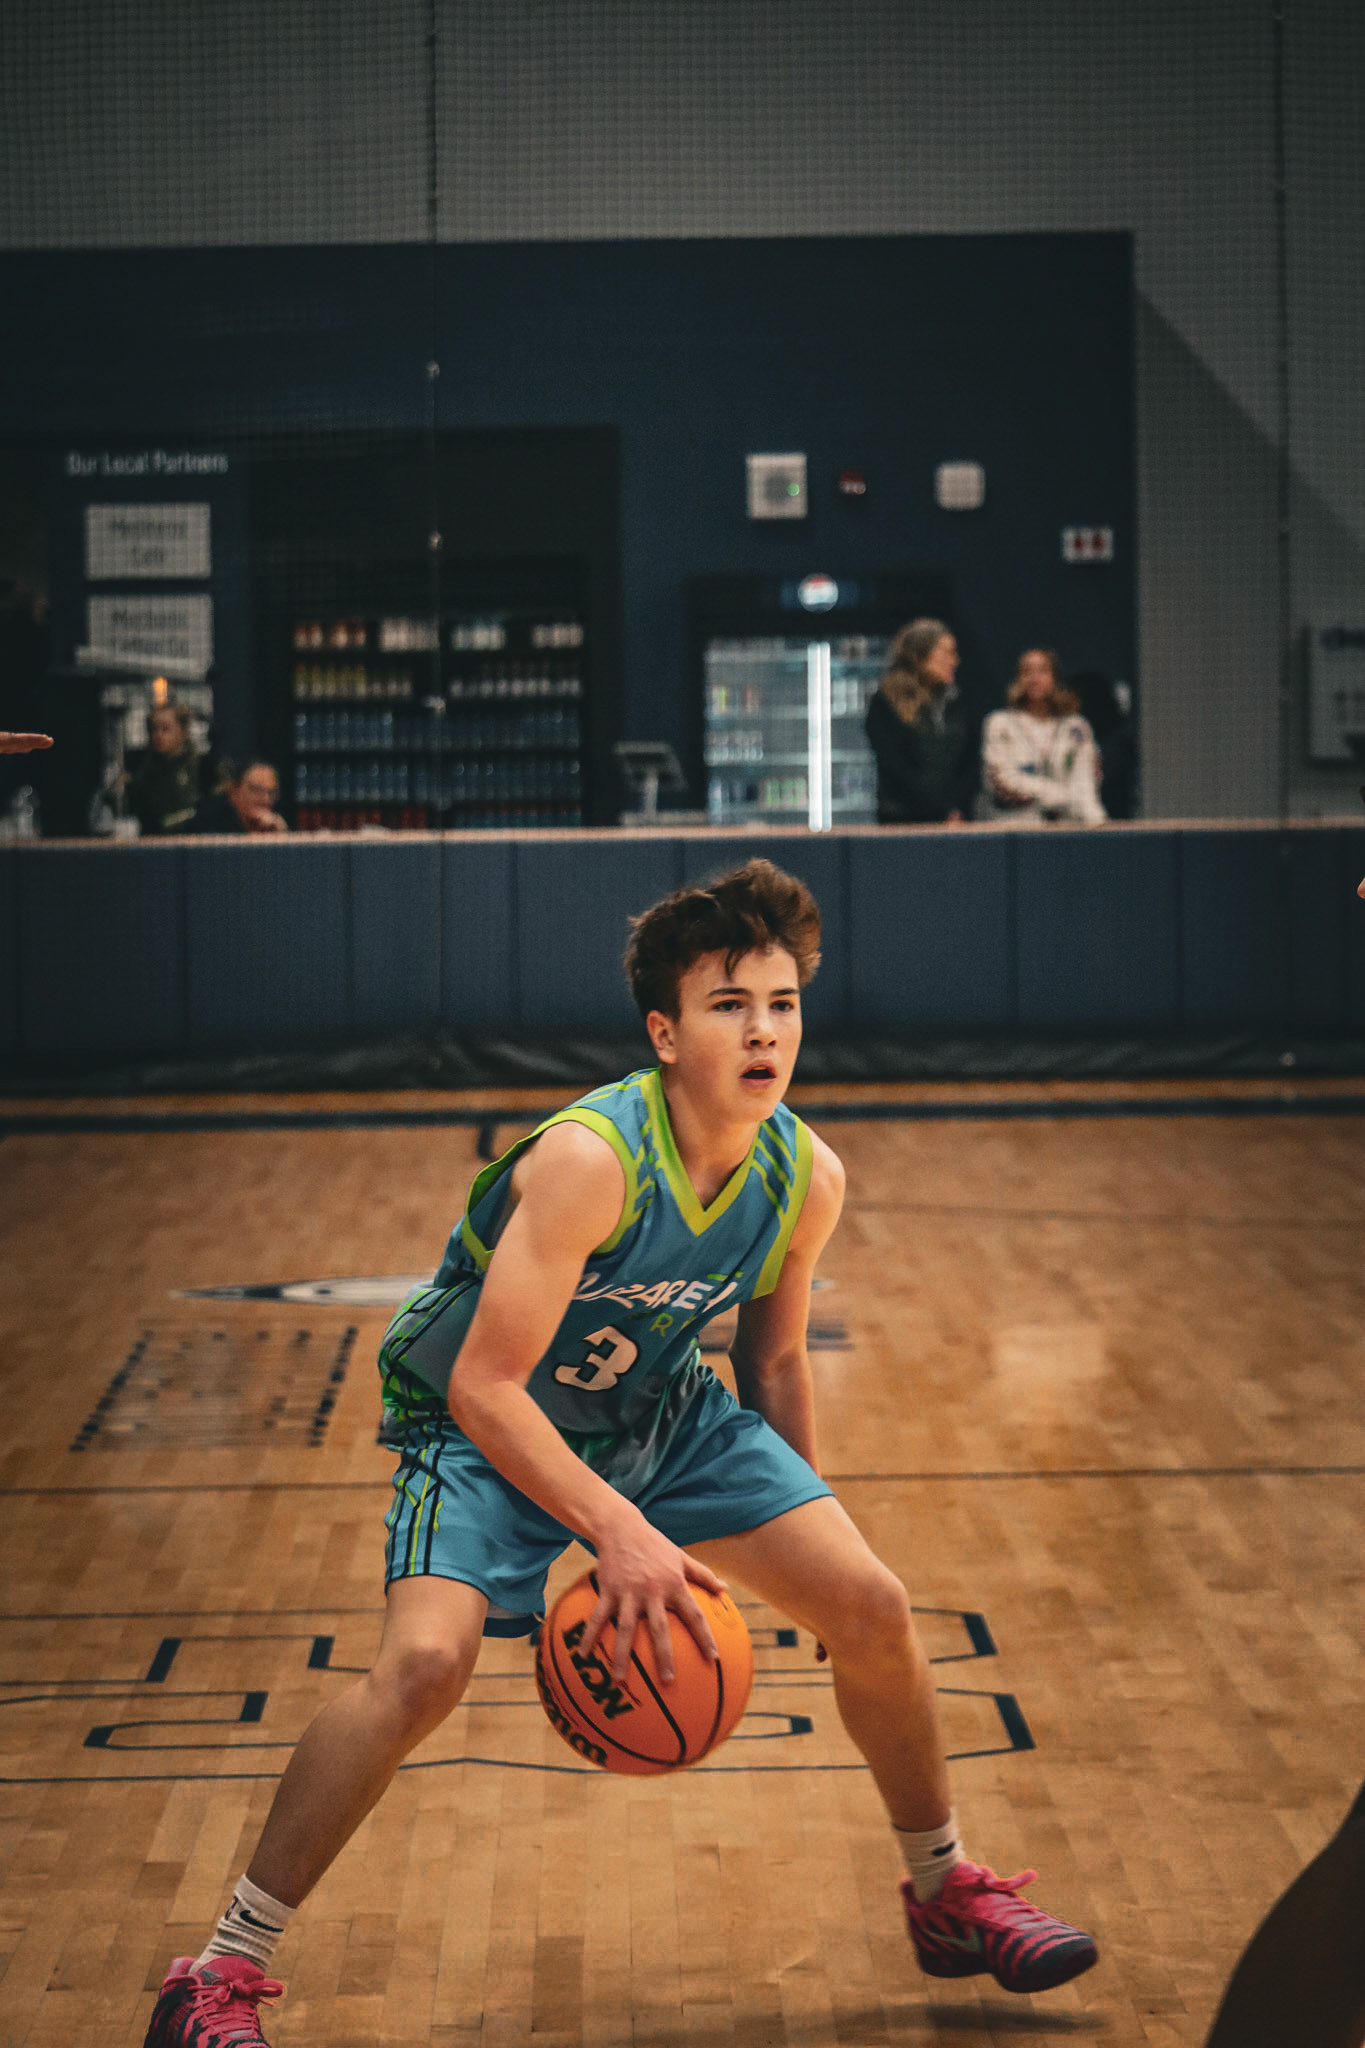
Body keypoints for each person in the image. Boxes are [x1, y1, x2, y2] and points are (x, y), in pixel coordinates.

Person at [141, 859, 1097, 2048]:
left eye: (783, 1003)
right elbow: (487, 1384)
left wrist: (811, 1518)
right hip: (483, 1423)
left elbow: (775, 1358)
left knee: (873, 1604)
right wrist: (619, 1527)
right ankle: (215, 1973)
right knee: (424, 1665)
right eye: (729, 1004)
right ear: (666, 1032)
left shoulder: (807, 1174)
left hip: (658, 1406)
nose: (764, 1030)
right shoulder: (593, 1159)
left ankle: (947, 1891)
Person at [864, 618, 977, 824]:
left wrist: (957, 807)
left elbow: (969, 763)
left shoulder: (958, 701)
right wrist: (940, 809)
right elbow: (896, 768)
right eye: (947, 652)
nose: (955, 661)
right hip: (903, 821)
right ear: (920, 654)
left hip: (954, 821)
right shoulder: (885, 703)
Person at [981, 648, 1106, 824]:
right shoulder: (1000, 724)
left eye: (1042, 670)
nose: (1034, 678)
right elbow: (1001, 781)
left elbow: (1086, 780)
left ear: (1055, 678)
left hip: (1069, 826)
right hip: (1015, 826)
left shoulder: (1076, 727)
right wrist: (1055, 794)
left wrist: (1096, 820)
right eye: (1027, 671)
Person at [125, 701, 201, 835]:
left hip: (189, 838)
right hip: (151, 839)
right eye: (153, 729)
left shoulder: (199, 765)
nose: (158, 735)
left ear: (183, 731)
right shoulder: (143, 768)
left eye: (165, 729)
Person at [1071, 667, 1137, 820]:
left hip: (1112, 815)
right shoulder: (1071, 732)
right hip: (1074, 817)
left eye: (1075, 698)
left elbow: (1110, 782)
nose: (1071, 705)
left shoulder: (1117, 739)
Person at [187, 758, 288, 835]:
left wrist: (281, 836)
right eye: (256, 790)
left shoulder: (273, 825)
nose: (265, 799)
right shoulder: (208, 825)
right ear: (234, 791)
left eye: (271, 793)